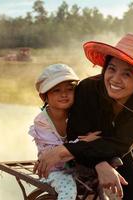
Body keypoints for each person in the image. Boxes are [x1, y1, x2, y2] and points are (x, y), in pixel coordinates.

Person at [34, 34, 133, 199]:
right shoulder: (87, 89)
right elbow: (76, 132)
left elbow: (121, 144)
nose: (115, 79)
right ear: (105, 68)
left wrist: (61, 151)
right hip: (83, 153)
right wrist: (100, 164)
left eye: (127, 74)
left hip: (126, 153)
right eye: (112, 69)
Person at [29, 64, 101, 200]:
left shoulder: (77, 114)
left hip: (77, 166)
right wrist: (83, 142)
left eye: (70, 89)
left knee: (98, 186)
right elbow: (55, 153)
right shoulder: (42, 121)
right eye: (56, 90)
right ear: (44, 96)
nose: (64, 94)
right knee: (68, 191)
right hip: (54, 169)